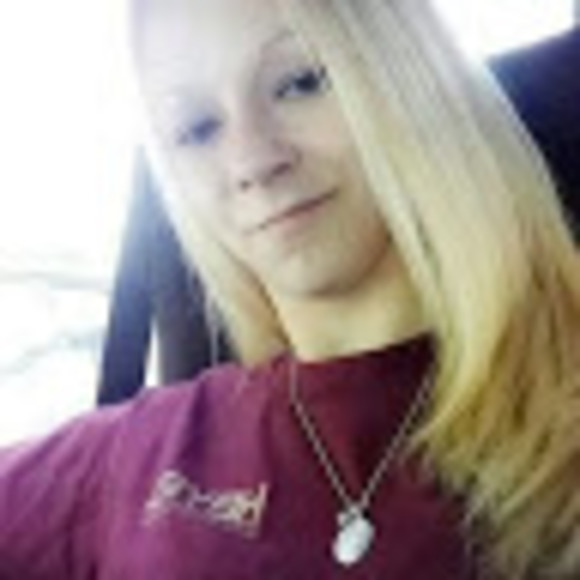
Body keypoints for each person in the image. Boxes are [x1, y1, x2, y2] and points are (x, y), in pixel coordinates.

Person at [1, 0, 579, 578]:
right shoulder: (140, 452)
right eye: (198, 129)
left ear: (406, 76)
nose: (251, 161)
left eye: (300, 84)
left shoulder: (561, 417)